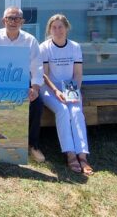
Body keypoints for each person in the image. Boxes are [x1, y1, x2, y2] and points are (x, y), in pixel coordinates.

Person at [0, 6, 46, 163]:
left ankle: (32, 145)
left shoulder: (30, 41)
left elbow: (37, 67)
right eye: (10, 18)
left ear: (22, 22)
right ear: (3, 20)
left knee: (37, 103)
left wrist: (35, 88)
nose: (13, 21)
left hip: (21, 82)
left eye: (17, 18)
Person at [39, 14, 93, 176]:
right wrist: (56, 91)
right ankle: (70, 154)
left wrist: (72, 92)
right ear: (49, 29)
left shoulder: (75, 47)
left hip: (70, 87)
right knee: (63, 111)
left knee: (76, 112)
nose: (57, 30)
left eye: (60, 27)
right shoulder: (44, 47)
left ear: (67, 28)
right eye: (54, 27)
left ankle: (82, 156)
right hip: (49, 88)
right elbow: (44, 75)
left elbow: (77, 74)